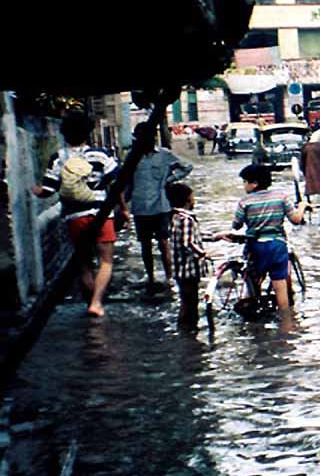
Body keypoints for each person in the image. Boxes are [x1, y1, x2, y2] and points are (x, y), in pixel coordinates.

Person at [30, 112, 130, 317]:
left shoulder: (58, 157)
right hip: (101, 213)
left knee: (84, 264)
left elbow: (47, 191)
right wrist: (124, 209)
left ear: (64, 133)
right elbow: (116, 184)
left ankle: (91, 303)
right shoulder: (101, 155)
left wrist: (29, 187)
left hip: (75, 217)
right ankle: (97, 302)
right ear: (89, 132)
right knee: (106, 260)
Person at [222, 164, 307, 313]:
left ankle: (256, 321)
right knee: (280, 288)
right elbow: (296, 219)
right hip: (277, 246)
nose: (244, 186)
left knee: (253, 281)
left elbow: (236, 225)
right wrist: (302, 206)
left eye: (245, 182)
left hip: (255, 247)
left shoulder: (245, 202)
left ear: (254, 183)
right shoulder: (281, 197)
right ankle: (286, 325)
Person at [128, 128, 192, 287]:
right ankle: (150, 277)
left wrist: (170, 179)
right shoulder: (132, 157)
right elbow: (127, 182)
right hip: (140, 207)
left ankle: (169, 277)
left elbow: (186, 167)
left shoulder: (165, 155)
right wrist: (122, 206)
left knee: (164, 242)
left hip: (161, 206)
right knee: (145, 244)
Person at [167, 183, 211, 328]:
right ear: (187, 199)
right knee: (189, 301)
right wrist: (204, 254)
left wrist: (215, 237)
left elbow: (192, 236)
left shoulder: (176, 217)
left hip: (181, 268)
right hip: (188, 268)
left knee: (188, 299)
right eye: (193, 197)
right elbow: (188, 243)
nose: (194, 200)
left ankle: (188, 329)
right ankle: (187, 329)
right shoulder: (186, 219)